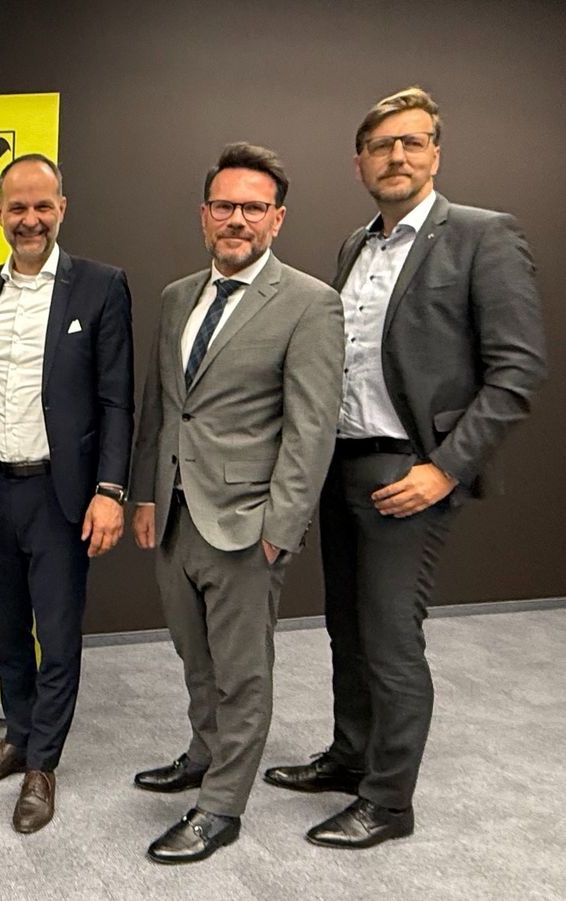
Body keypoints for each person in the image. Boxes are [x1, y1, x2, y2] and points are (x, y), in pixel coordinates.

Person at [263, 87, 547, 849]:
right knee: (346, 628)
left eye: (413, 143)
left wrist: (444, 469)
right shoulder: (355, 248)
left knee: (391, 638)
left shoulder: (484, 237)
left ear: (435, 154)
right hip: (341, 466)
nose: (397, 157)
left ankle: (389, 801)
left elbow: (517, 368)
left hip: (411, 473)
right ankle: (350, 756)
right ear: (360, 163)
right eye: (383, 146)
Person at [130, 143, 344, 864]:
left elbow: (311, 428)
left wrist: (282, 526)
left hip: (249, 523)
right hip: (176, 513)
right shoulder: (176, 296)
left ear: (277, 219)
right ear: (204, 215)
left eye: (254, 207)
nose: (237, 219)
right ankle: (203, 750)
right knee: (195, 654)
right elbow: (161, 408)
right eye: (225, 205)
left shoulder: (310, 303)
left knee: (242, 668)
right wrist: (142, 495)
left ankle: (220, 805)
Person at [0, 154, 134, 834]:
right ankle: (18, 734)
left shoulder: (100, 286)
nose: (28, 218)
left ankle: (43, 764)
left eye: (42, 206)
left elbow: (117, 399)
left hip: (61, 496)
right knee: (4, 629)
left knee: (56, 634)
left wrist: (111, 489)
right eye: (15, 207)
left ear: (62, 207)